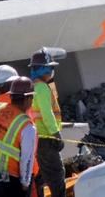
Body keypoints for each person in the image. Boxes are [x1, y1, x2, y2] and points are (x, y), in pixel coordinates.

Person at [0, 77, 37, 197]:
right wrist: (25, 183)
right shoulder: (27, 126)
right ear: (29, 98)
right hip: (9, 179)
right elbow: (27, 159)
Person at [30, 47, 66, 197]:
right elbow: (47, 113)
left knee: (41, 175)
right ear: (43, 69)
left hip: (38, 138)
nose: (52, 71)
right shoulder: (42, 88)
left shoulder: (32, 88)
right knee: (57, 175)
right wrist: (56, 133)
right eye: (50, 68)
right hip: (47, 138)